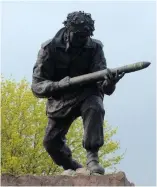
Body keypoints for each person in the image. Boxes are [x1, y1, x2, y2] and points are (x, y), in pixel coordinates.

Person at [31, 11, 124, 174]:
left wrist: (110, 82)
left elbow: (104, 87)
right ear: (68, 30)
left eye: (86, 36)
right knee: (50, 143)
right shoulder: (49, 48)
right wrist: (58, 85)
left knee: (95, 106)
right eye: (79, 35)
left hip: (87, 93)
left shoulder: (95, 48)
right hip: (61, 100)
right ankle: (72, 167)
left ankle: (92, 157)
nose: (83, 40)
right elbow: (37, 86)